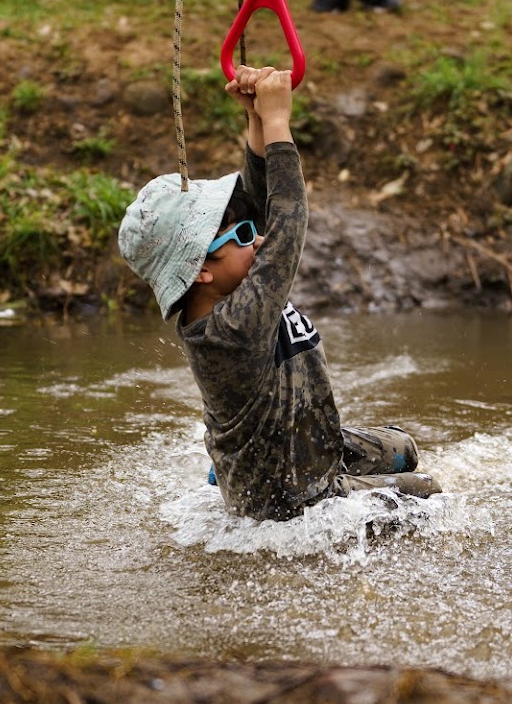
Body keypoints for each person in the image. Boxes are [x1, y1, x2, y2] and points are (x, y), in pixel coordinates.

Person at [117, 66, 436, 522]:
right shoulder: (231, 328)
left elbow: (260, 203)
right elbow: (287, 226)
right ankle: (246, 475)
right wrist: (280, 124)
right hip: (289, 493)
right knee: (427, 492)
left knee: (404, 447)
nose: (259, 240)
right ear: (201, 270)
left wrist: (257, 123)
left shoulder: (227, 287)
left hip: (307, 441)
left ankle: (236, 463)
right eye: (244, 235)